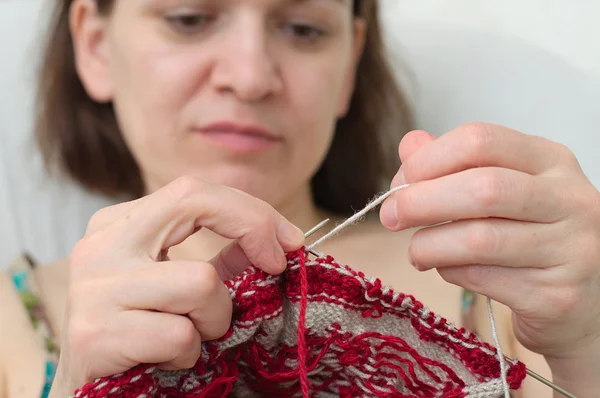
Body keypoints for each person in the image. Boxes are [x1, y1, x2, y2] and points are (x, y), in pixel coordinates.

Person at [1, 0, 599, 397]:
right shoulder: (12, 328)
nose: (251, 74)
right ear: (97, 46)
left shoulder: (513, 293)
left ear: (348, 66)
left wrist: (589, 341)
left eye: (303, 29)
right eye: (189, 18)